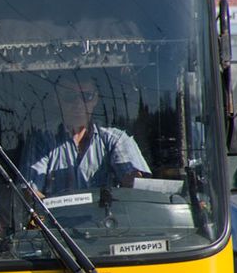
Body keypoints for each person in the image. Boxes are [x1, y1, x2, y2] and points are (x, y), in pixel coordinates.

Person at [22, 74, 150, 196]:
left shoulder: (115, 139)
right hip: (55, 218)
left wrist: (133, 179)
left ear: (96, 99)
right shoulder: (42, 139)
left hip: (107, 217)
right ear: (57, 99)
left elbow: (138, 187)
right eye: (70, 97)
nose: (79, 105)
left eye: (87, 96)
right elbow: (29, 192)